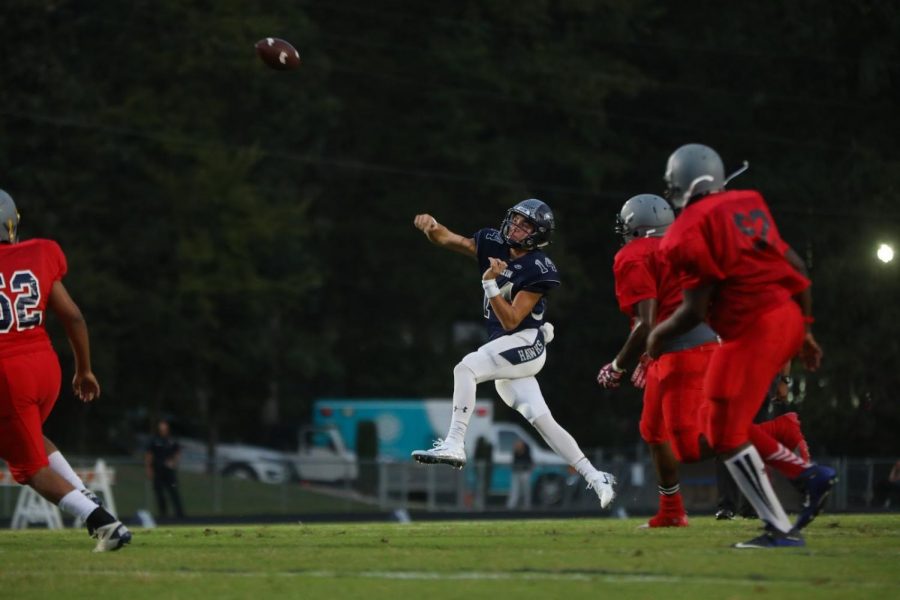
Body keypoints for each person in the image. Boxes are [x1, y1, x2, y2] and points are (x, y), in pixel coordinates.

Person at [647, 144, 835, 548]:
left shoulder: (684, 232)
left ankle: (780, 527)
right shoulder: (747, 203)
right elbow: (796, 266)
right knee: (719, 429)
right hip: (785, 316)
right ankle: (807, 475)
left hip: (751, 332)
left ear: (680, 182)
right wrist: (804, 330)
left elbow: (695, 309)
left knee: (725, 436)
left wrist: (658, 336)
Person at [599, 194, 813, 529]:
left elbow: (646, 321)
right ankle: (672, 510)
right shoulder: (685, 244)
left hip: (684, 353)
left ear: (635, 227)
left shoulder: (634, 254)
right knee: (654, 431)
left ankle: (779, 431)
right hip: (683, 347)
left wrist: (617, 366)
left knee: (692, 446)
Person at [410, 199, 616, 509]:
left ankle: (454, 443)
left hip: (526, 341)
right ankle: (596, 476)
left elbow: (510, 320)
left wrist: (490, 284)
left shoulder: (537, 267)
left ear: (538, 235)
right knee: (541, 419)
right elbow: (451, 240)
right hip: (507, 349)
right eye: (515, 221)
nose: (516, 228)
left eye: (525, 225)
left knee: (465, 368)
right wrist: (433, 228)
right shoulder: (493, 243)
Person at [0, 188, 131, 551]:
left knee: (28, 468)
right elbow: (72, 315)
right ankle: (86, 495)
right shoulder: (39, 253)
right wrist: (84, 369)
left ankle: (104, 524)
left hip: (8, 373)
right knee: (25, 439)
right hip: (46, 365)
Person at [145, 419, 185, 519]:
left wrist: (174, 462)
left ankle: (180, 515)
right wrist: (149, 468)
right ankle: (163, 515)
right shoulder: (154, 440)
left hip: (169, 471)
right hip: (158, 470)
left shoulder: (171, 440)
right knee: (159, 493)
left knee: (173, 491)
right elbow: (149, 454)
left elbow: (177, 452)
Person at [506, 440, 534, 510]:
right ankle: (511, 505)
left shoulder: (527, 453)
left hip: (525, 473)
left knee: (526, 490)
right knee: (515, 490)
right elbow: (514, 463)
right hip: (516, 473)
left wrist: (528, 470)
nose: (517, 446)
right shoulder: (515, 453)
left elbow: (530, 464)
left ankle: (527, 505)